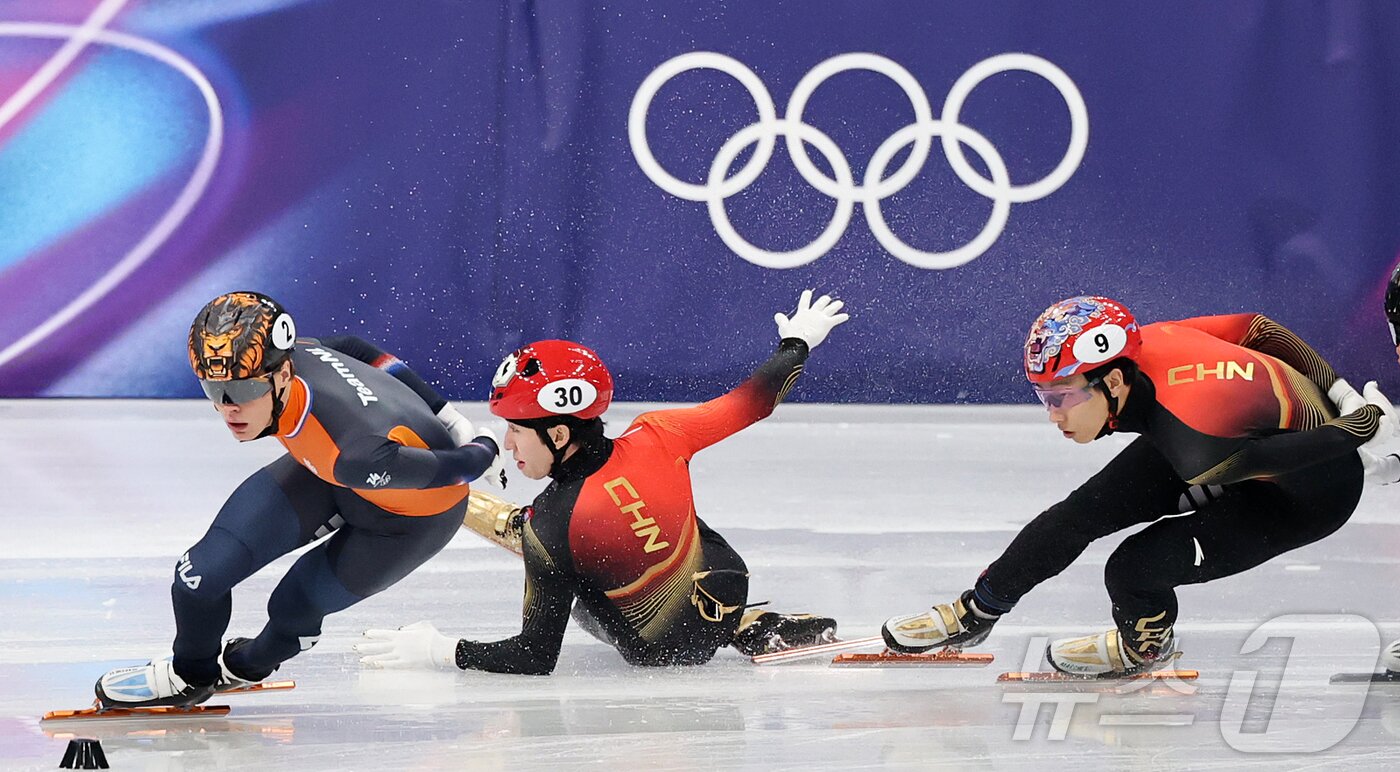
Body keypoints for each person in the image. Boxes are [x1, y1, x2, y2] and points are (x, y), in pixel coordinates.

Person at [881, 295, 1396, 678]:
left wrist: (1357, 426)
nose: (1053, 414)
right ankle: (977, 612)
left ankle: (1144, 647)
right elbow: (1255, 328)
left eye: (1061, 397)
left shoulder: (1195, 437)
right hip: (1242, 439)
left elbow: (1251, 457)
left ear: (1113, 382)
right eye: (1044, 397)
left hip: (1303, 494)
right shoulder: (1155, 342)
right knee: (1076, 516)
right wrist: (1343, 392)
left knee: (1134, 567)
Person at [354, 290, 848, 674]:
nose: (507, 445)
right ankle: (744, 623)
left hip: (659, 651)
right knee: (653, 504)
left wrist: (442, 651)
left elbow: (533, 655)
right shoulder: (659, 434)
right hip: (727, 586)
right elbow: (755, 400)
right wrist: (798, 341)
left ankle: (450, 493)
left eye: (516, 430)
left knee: (545, 539)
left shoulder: (550, 522)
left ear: (560, 432)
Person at [95, 291, 503, 708]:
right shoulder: (299, 353)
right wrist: (442, 409)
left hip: (408, 520)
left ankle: (249, 666)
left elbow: (455, 470)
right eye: (213, 389)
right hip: (329, 470)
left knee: (292, 606)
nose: (228, 407)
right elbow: (351, 346)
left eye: (245, 389)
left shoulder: (353, 451)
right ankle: (190, 676)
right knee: (198, 578)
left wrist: (482, 443)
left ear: (282, 375)